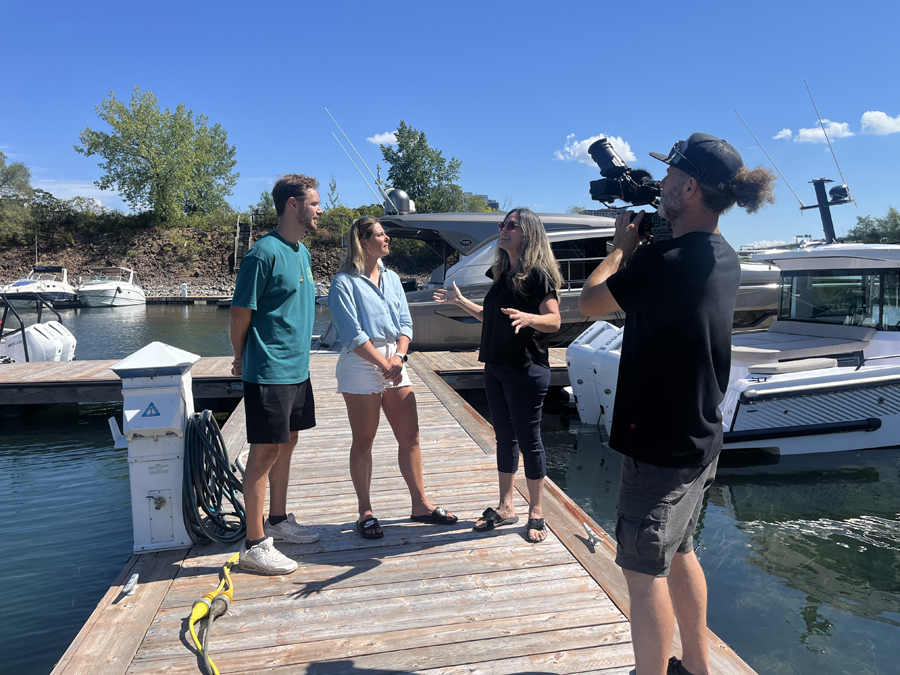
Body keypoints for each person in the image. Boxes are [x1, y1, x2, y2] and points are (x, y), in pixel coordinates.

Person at [578, 133, 776, 675]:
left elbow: (591, 302)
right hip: (699, 437)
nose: (659, 183)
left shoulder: (665, 259)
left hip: (659, 445)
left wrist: (621, 246)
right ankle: (697, 666)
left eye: (668, 177)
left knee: (643, 574)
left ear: (688, 187)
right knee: (682, 550)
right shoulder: (722, 255)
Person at [433, 208, 563, 543]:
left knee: (530, 440)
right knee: (504, 439)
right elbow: (490, 317)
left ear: (527, 233)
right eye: (502, 224)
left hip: (526, 369)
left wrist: (529, 318)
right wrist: (461, 301)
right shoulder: (503, 271)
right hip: (495, 367)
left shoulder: (538, 274)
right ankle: (506, 506)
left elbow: (554, 321)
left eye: (511, 226)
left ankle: (536, 511)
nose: (503, 229)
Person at [328, 217, 458, 539]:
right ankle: (365, 511)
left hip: (395, 360)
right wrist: (383, 362)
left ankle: (420, 505)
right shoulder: (343, 282)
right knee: (364, 441)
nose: (387, 238)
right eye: (380, 234)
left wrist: (398, 357)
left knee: (411, 436)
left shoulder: (393, 278)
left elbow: (405, 323)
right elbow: (351, 333)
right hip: (361, 364)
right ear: (363, 242)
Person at [229, 174, 324, 575]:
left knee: (288, 444)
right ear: (292, 204)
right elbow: (240, 313)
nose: (321, 209)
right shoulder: (262, 253)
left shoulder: (300, 251)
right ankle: (254, 544)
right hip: (268, 369)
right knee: (265, 452)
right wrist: (239, 358)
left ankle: (279, 521)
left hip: (296, 370)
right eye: (315, 203)